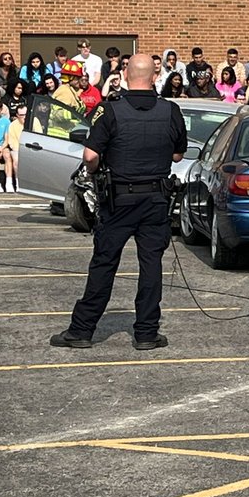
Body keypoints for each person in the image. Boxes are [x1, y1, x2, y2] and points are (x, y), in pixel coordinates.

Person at [52, 53, 187, 351]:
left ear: (125, 76)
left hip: (118, 199)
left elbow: (90, 155)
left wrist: (95, 172)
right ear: (155, 77)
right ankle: (147, 333)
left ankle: (82, 331)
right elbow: (178, 155)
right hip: (156, 198)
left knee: (104, 263)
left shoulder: (109, 109)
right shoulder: (171, 111)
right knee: (151, 265)